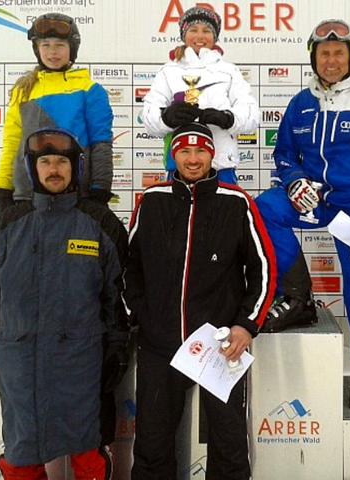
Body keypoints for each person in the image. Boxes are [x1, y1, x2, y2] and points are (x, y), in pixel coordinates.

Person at [255, 19, 350, 410]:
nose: (331, 60)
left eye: (339, 53)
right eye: (324, 53)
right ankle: (298, 296)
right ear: (314, 58)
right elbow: (284, 153)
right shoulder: (301, 102)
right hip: (315, 200)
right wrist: (293, 182)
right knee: (263, 209)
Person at [123, 122, 275, 479]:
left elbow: (264, 268)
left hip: (220, 345)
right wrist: (140, 315)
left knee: (228, 443)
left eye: (201, 151)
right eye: (185, 152)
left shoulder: (236, 202)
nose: (193, 160)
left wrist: (245, 325)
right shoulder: (152, 200)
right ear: (173, 156)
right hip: (159, 343)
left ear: (212, 155)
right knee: (152, 444)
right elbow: (130, 265)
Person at [0, 128, 129, 479]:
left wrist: (117, 348)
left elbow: (118, 294)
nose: (54, 169)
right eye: (45, 161)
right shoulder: (9, 223)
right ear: (33, 168)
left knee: (88, 453)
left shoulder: (100, 223)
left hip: (81, 365)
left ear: (76, 167)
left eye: (62, 161)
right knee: (21, 456)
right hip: (20, 362)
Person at [0, 13, 114, 212]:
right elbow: (12, 144)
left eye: (60, 45)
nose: (52, 52)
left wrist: (100, 188)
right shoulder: (23, 90)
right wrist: (3, 187)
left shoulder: (91, 90)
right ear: (37, 49)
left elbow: (100, 144)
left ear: (72, 48)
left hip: (76, 196)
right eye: (45, 45)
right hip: (28, 196)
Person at [142, 6, 259, 184]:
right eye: (193, 30)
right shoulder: (168, 71)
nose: (200, 36)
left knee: (225, 204)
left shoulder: (229, 71)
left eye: (206, 31)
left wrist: (228, 119)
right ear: (183, 34)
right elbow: (149, 118)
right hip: (179, 166)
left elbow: (251, 115)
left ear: (215, 36)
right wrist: (166, 118)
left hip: (220, 165)